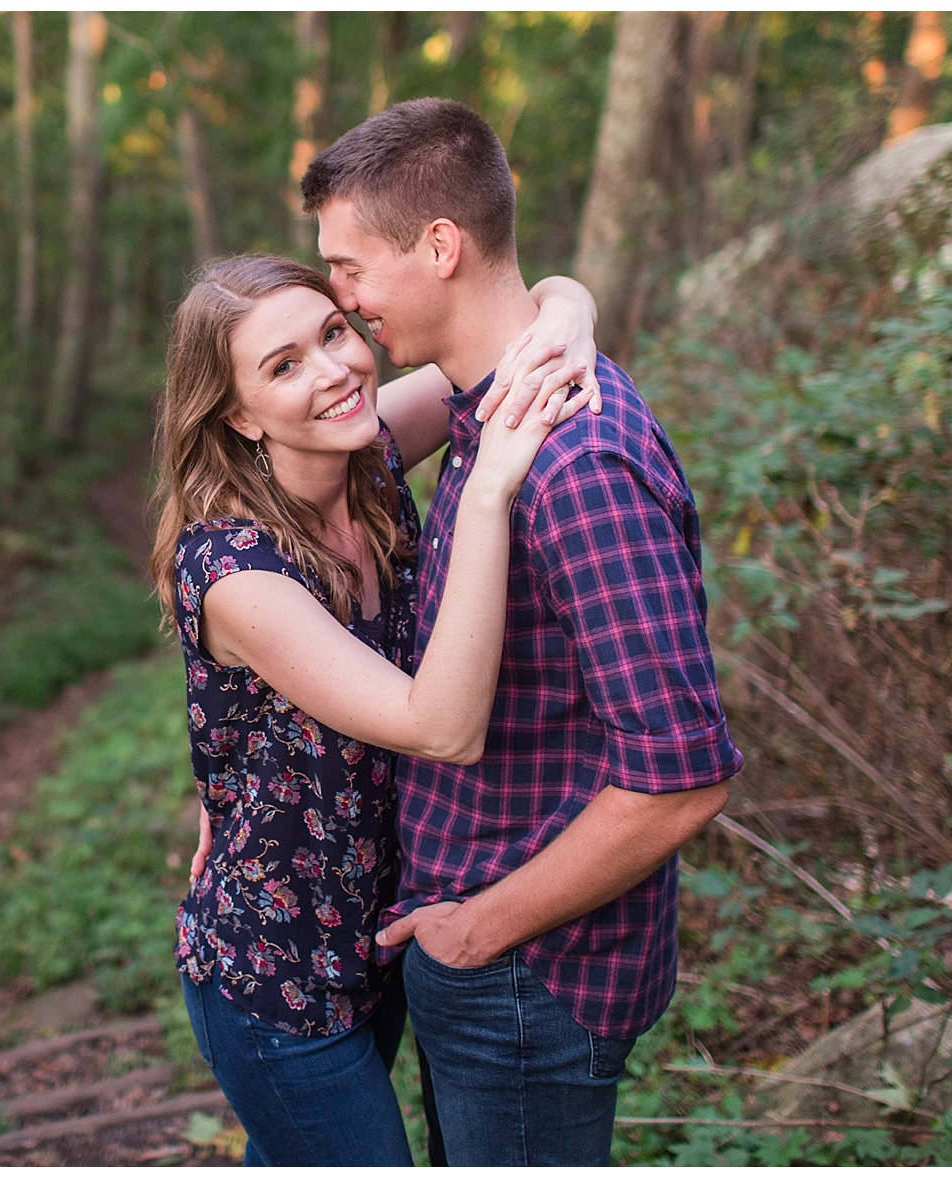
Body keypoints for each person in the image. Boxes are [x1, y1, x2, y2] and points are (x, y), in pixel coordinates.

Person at [302, 98, 744, 1166]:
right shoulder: (490, 408)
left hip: (528, 972)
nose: (343, 299)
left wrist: (480, 929)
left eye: (350, 267)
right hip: (484, 955)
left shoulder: (579, 462)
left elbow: (682, 773)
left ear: (441, 246)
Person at [150, 252, 600, 1166]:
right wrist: (486, 493)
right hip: (276, 977)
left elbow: (530, 307)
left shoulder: (367, 452)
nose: (333, 371)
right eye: (283, 366)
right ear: (236, 415)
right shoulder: (235, 573)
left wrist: (574, 321)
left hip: (383, 931)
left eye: (332, 333)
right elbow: (442, 726)